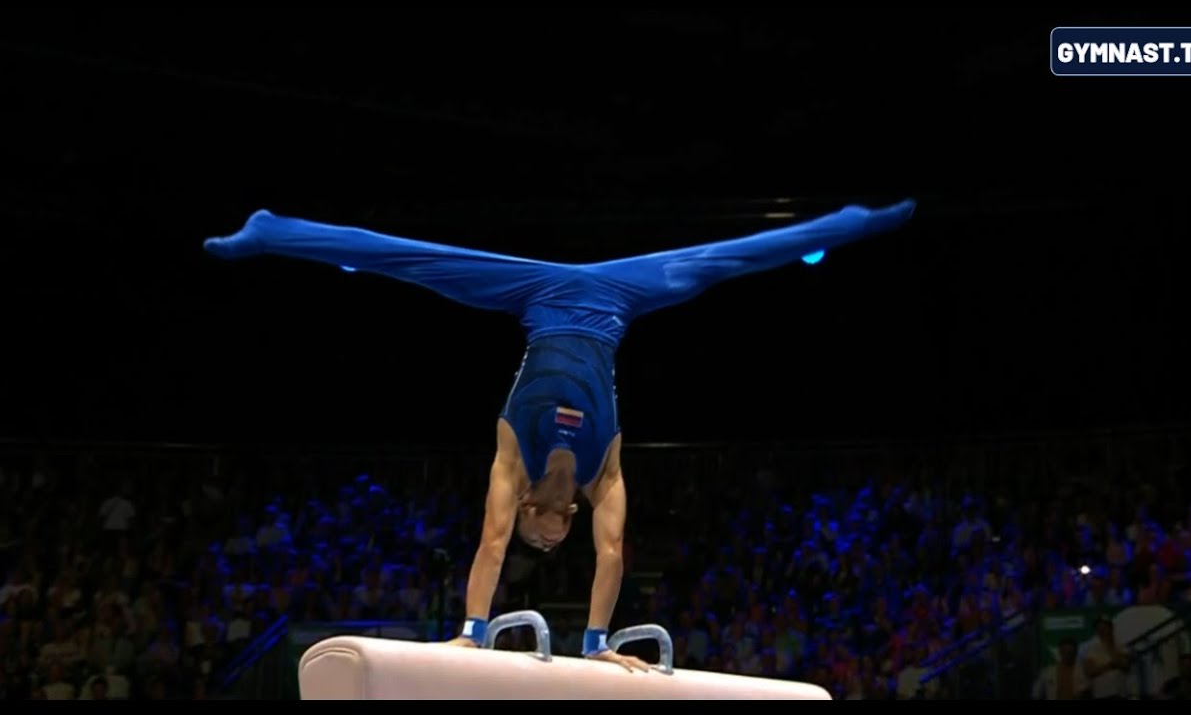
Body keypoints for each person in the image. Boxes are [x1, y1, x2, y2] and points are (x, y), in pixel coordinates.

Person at [203, 198, 916, 669]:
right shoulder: (607, 473)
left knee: (409, 260)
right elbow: (612, 555)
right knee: (726, 260)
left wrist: (473, 633)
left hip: (536, 297)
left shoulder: (511, 461)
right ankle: (271, 230)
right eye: (546, 541)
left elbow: (488, 542)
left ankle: (851, 221)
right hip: (615, 299)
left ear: (527, 512)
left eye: (532, 538)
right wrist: (597, 646)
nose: (540, 542)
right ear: (559, 513)